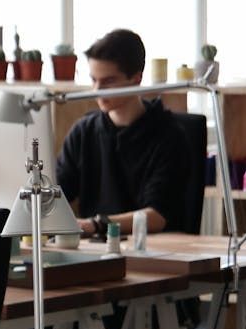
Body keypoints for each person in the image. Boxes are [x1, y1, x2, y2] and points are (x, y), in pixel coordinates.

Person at [55, 29, 190, 238]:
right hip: (92, 251)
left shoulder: (170, 136)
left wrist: (96, 225)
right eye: (93, 80)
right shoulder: (83, 132)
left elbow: (157, 215)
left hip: (152, 251)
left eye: (108, 81)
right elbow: (56, 194)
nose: (97, 90)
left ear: (136, 78)